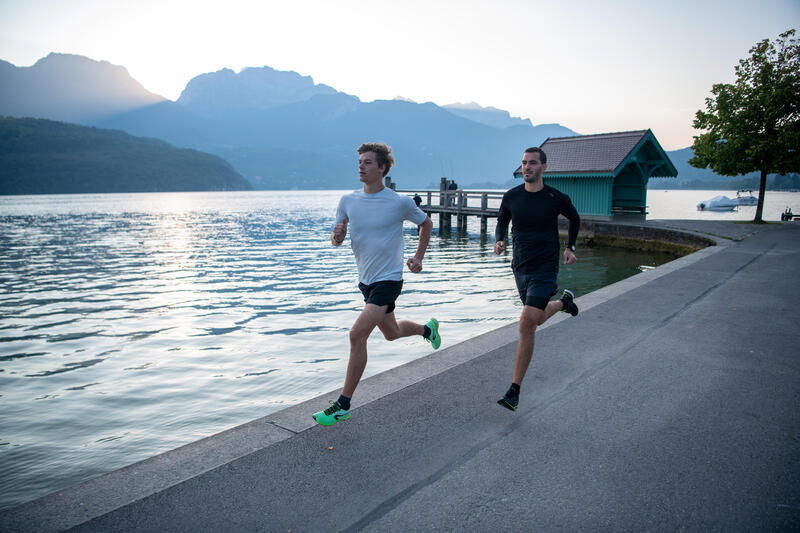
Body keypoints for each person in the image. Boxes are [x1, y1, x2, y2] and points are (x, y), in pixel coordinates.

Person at [312, 142, 442, 426]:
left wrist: (418, 257)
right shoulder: (348, 201)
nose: (361, 166)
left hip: (389, 279)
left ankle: (343, 404)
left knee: (357, 334)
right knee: (392, 333)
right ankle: (426, 329)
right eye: (360, 161)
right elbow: (336, 241)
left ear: (382, 168)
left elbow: (427, 223)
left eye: (368, 162)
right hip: (366, 282)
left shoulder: (399, 202)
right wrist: (337, 235)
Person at [494, 146, 580, 411]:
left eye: (532, 163)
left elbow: (574, 218)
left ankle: (514, 390)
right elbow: (501, 221)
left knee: (526, 322)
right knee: (537, 318)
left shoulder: (555, 197)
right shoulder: (511, 196)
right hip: (520, 267)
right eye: (523, 163)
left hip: (545, 268)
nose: (527, 168)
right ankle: (564, 303)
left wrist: (570, 247)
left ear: (544, 167)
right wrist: (499, 240)